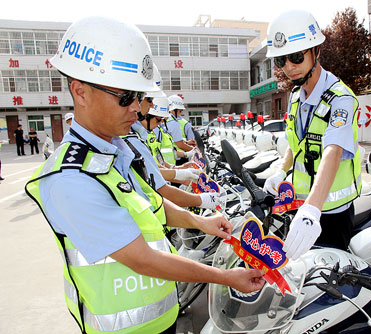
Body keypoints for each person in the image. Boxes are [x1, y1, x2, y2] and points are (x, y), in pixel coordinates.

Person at [25, 17, 264, 334]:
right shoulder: (70, 178)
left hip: (160, 321)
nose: (136, 109)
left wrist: (198, 220)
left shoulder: (114, 153)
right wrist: (224, 277)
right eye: (125, 97)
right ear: (80, 92)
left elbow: (151, 205)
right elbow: (142, 259)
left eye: (138, 97)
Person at [263, 10, 362, 258]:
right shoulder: (296, 97)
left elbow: (333, 151)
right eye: (281, 60)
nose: (289, 67)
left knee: (329, 282)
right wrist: (280, 171)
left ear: (316, 50)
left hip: (330, 212)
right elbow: (297, 145)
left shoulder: (341, 99)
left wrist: (313, 210)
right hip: (303, 206)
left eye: (296, 57)